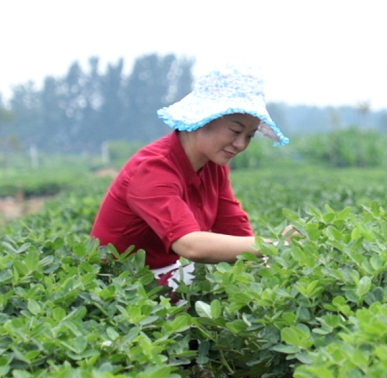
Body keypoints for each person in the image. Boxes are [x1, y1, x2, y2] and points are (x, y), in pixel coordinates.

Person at [90, 62, 289, 291]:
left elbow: (235, 230)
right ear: (205, 118)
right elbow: (190, 245)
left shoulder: (214, 166)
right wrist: (273, 245)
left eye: (249, 136)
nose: (240, 144)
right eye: (235, 131)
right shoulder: (153, 168)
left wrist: (277, 257)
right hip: (120, 287)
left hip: (166, 276)